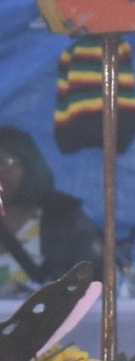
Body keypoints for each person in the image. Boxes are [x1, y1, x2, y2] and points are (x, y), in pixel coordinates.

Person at [0, 125, 101, 291]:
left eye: (9, 162)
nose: (1, 171)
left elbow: (91, 281)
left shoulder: (65, 217)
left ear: (30, 166)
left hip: (52, 316)